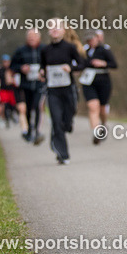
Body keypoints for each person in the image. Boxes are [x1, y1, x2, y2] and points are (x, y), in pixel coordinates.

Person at [41, 18, 86, 165]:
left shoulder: (70, 48)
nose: (54, 29)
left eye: (57, 27)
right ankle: (62, 153)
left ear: (63, 30)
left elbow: (81, 64)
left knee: (67, 119)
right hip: (53, 91)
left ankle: (68, 123)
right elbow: (42, 68)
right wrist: (42, 73)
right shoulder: (45, 50)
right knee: (56, 121)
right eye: (51, 27)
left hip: (68, 90)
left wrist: (70, 68)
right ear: (48, 30)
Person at [10, 29, 46, 145]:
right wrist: (21, 68)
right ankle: (29, 130)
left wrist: (43, 71)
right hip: (26, 85)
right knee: (28, 109)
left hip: (40, 84)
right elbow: (12, 66)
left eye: (34, 36)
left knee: (37, 106)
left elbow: (49, 63)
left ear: (38, 38)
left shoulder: (44, 49)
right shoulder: (20, 51)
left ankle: (36, 131)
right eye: (30, 37)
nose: (32, 39)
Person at [82, 30, 117, 144]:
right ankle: (96, 132)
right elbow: (79, 63)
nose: (91, 41)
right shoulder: (84, 50)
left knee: (102, 108)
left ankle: (103, 124)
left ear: (97, 39)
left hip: (103, 82)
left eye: (92, 39)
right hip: (88, 82)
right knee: (93, 106)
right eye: (89, 40)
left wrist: (103, 63)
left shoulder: (105, 50)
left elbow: (114, 64)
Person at [0, 54, 17, 129]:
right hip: (3, 90)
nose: (6, 63)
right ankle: (5, 119)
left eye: (7, 61)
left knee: (13, 104)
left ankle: (12, 115)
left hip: (11, 89)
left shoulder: (12, 69)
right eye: (5, 62)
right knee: (3, 104)